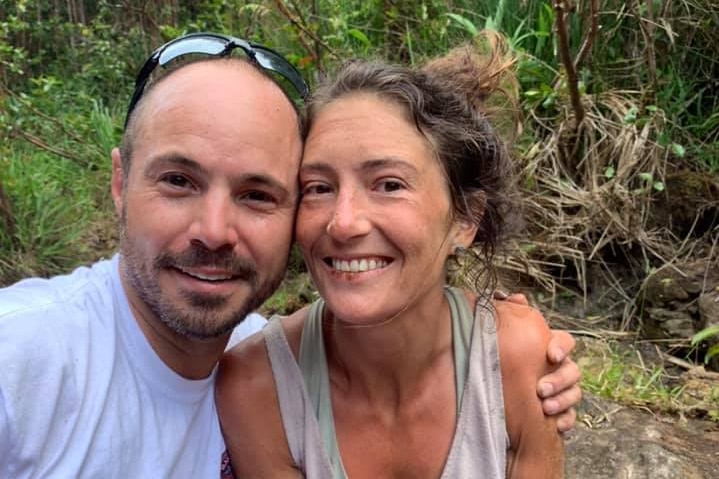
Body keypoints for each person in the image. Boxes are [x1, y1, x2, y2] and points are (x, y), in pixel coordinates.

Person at [0, 33, 578, 477]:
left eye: (258, 194)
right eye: (178, 180)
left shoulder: (517, 359)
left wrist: (516, 348)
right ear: (120, 183)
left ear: (466, 219)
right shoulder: (22, 359)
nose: (215, 231)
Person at [216, 32, 565, 478]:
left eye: (389, 184)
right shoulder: (256, 386)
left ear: (465, 218)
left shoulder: (517, 362)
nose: (343, 223)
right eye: (318, 188)